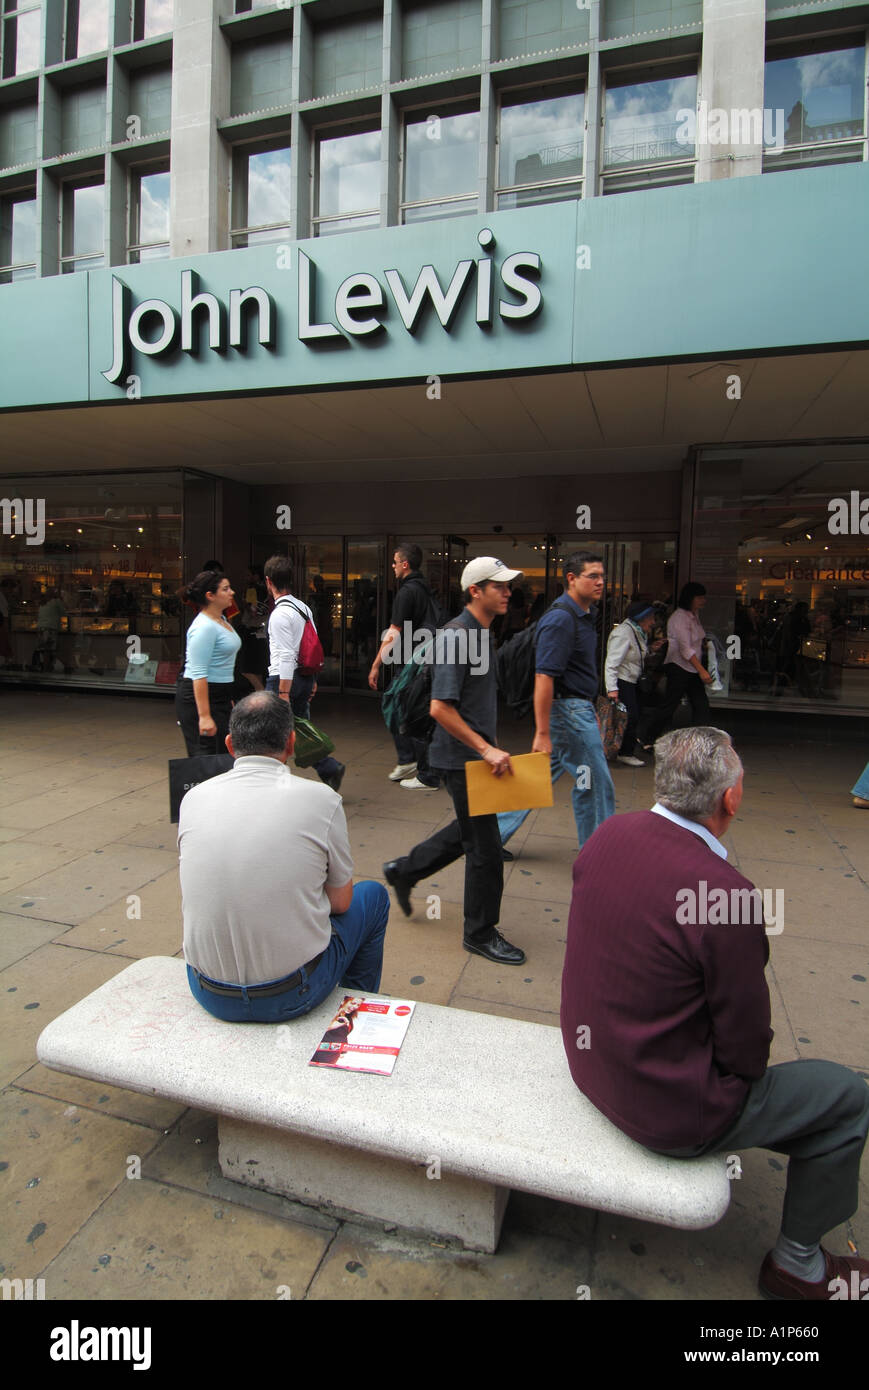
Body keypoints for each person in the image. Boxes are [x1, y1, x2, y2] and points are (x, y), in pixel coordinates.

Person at [561, 726, 869, 1301]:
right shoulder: (724, 894)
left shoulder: (609, 833)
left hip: (589, 1065)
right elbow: (748, 1050)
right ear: (730, 798)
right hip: (666, 1109)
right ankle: (798, 1266)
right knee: (846, 1096)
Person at [180, 692, 389, 1023]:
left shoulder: (192, 799)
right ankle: (355, 1012)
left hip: (208, 991)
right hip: (291, 994)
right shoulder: (323, 800)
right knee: (373, 897)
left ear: (231, 744)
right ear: (292, 744)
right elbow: (341, 903)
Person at [383, 556, 527, 965]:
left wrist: (492, 745)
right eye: (498, 585)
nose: (507, 591)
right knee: (485, 849)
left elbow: (474, 702)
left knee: (467, 833)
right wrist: (486, 749)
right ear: (475, 591)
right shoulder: (458, 636)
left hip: (476, 756)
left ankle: (405, 870)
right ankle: (479, 933)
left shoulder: (481, 634)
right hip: (462, 759)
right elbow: (440, 708)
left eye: (508, 585)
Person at [497, 551, 615, 851]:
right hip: (568, 712)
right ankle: (600, 853)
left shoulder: (583, 615)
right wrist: (542, 731)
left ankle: (491, 837)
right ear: (572, 579)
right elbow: (544, 677)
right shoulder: (561, 619)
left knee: (537, 778)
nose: (601, 582)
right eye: (593, 576)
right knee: (595, 785)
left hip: (575, 710)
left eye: (602, 576)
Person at [263, 553, 345, 793]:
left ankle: (274, 783)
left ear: (269, 581)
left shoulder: (279, 614)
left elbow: (287, 656)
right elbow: (313, 645)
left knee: (272, 733)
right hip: (305, 676)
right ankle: (329, 768)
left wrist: (283, 692)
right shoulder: (303, 608)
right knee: (300, 727)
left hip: (283, 679)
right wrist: (313, 679)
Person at [368, 542, 440, 790]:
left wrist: (376, 664)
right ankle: (410, 761)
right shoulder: (424, 589)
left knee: (400, 707)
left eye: (395, 562)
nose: (393, 566)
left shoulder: (407, 592)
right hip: (425, 659)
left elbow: (394, 631)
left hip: (412, 662)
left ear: (405, 564)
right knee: (409, 709)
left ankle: (423, 771)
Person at [638, 581, 712, 748]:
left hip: (692, 666)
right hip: (680, 666)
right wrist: (702, 671)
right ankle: (647, 736)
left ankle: (702, 741)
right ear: (690, 598)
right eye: (699, 597)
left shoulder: (694, 615)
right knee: (670, 705)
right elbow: (685, 648)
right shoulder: (679, 618)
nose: (703, 601)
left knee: (700, 704)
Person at [175, 569, 241, 756]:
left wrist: (227, 698)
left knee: (222, 753)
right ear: (210, 596)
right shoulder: (203, 627)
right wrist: (204, 716)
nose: (232, 593)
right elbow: (198, 673)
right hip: (201, 696)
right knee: (206, 757)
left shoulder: (221, 619)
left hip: (219, 694)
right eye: (226, 589)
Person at [604, 599, 663, 767]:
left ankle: (624, 750)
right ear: (642, 618)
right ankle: (624, 752)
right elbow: (612, 663)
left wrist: (651, 650)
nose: (653, 622)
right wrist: (612, 689)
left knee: (633, 715)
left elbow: (633, 655)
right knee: (629, 716)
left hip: (631, 679)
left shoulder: (636, 631)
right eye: (651, 618)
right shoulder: (624, 633)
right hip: (623, 681)